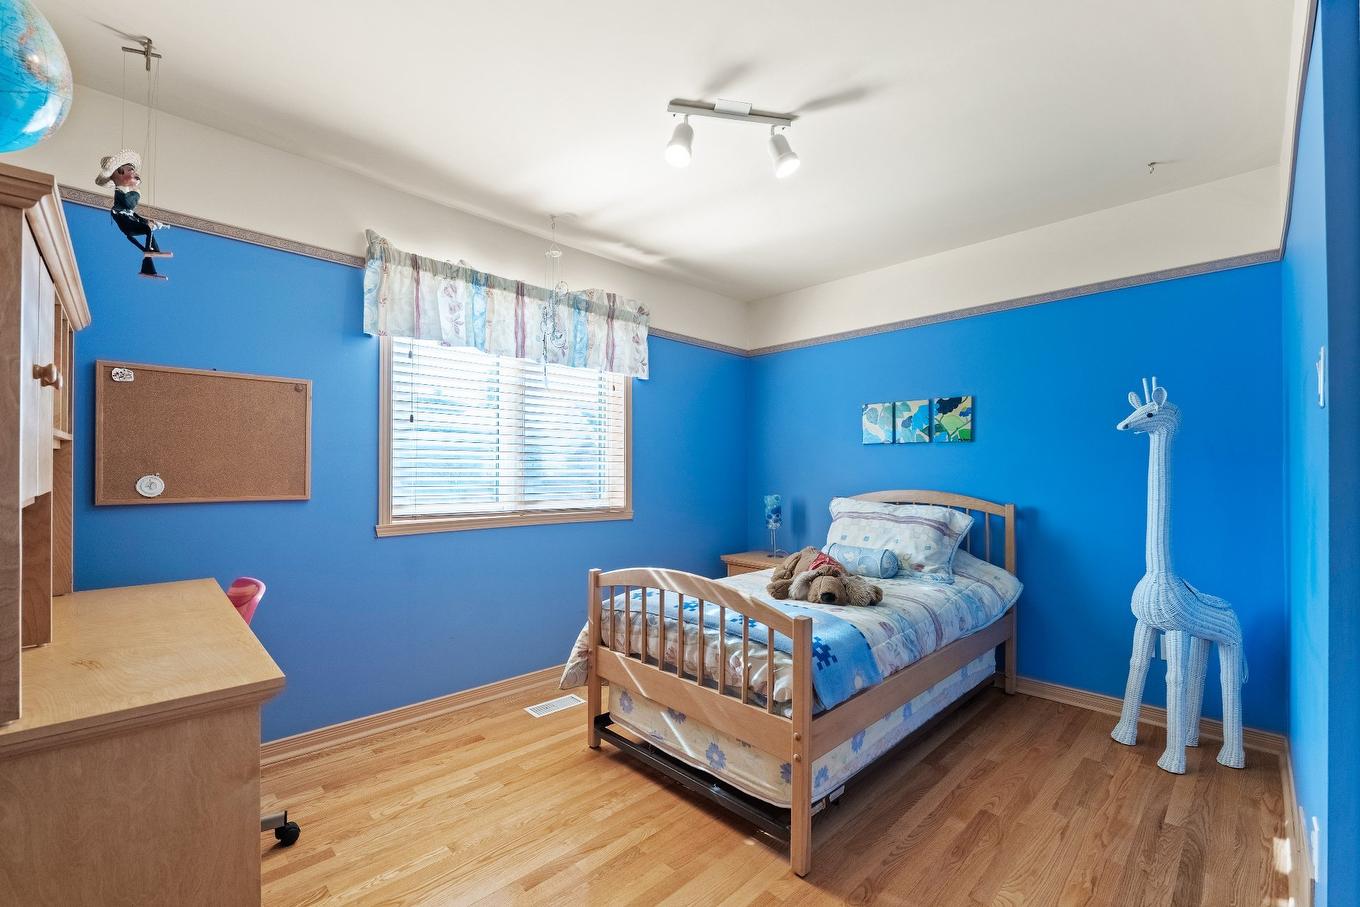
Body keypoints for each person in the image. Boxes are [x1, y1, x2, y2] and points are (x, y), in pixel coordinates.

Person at [94, 149, 172, 280]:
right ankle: (151, 251)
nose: (134, 173)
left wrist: (148, 222)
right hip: (126, 224)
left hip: (128, 223)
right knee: (147, 230)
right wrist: (136, 190)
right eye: (130, 170)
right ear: (119, 172)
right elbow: (129, 205)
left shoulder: (125, 193)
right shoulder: (121, 193)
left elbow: (132, 212)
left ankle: (150, 257)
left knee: (148, 230)